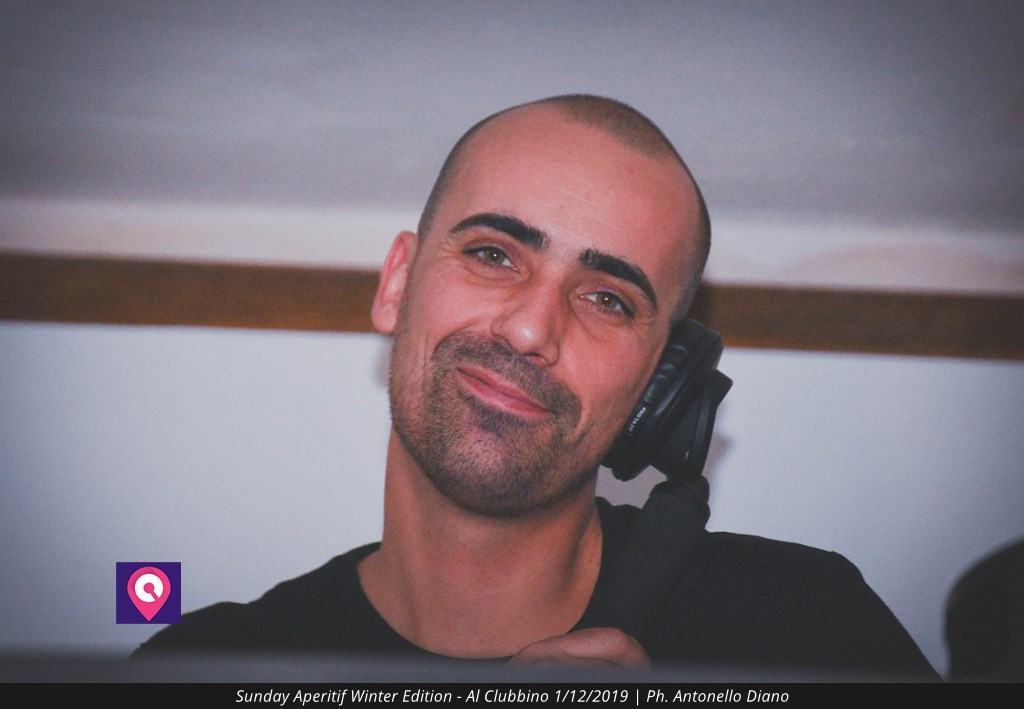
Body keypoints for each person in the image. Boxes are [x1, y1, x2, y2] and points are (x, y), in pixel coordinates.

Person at [133, 95, 937, 678]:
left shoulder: (805, 628)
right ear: (397, 284)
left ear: (660, 383)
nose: (528, 329)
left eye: (607, 299)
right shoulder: (205, 668)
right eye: (493, 254)